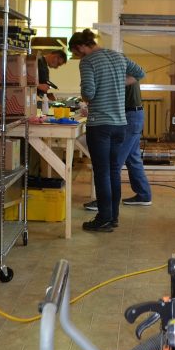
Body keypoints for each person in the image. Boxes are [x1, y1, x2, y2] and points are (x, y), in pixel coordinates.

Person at [68, 29, 145, 233]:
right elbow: (140, 73)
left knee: (102, 173)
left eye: (76, 53)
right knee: (113, 171)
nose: (78, 57)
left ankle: (103, 218)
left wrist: (87, 95)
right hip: (120, 124)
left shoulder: (88, 62)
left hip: (100, 124)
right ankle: (113, 218)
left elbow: (89, 92)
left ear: (81, 47)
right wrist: (116, 84)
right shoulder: (118, 56)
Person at [84, 80, 153, 211]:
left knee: (113, 162)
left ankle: (105, 202)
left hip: (129, 117)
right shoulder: (128, 70)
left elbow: (111, 95)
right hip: (136, 115)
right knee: (133, 159)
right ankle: (144, 195)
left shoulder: (120, 72)